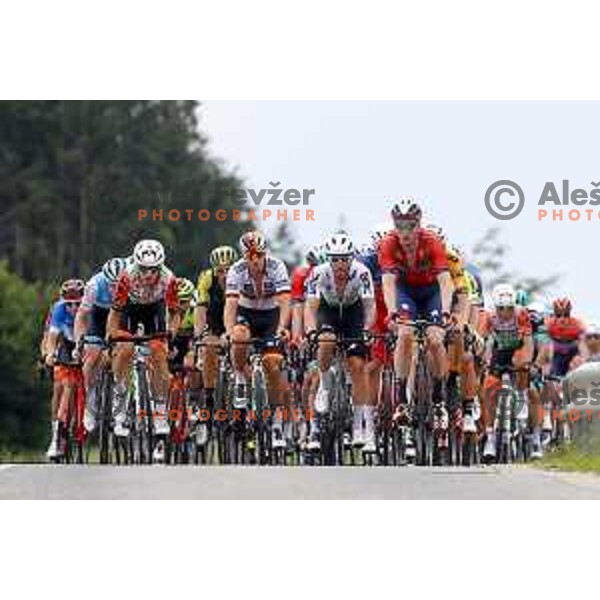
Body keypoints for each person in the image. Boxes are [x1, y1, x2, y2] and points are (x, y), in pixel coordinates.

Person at [378, 197, 453, 442]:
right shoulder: (388, 243)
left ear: (419, 224)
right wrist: (391, 311)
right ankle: (401, 399)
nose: (405, 232)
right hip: (406, 292)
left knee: (434, 338)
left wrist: (445, 312)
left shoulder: (431, 241)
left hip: (431, 292)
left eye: (410, 226)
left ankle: (440, 399)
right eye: (400, 226)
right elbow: (388, 283)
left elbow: (445, 281)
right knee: (405, 333)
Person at [106, 239, 180, 460]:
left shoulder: (169, 279)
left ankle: (159, 412)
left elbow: (175, 313)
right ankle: (119, 401)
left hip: (154, 310)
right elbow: (115, 313)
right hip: (129, 309)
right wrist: (112, 335)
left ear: (161, 267)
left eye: (153, 270)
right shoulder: (127, 276)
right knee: (126, 348)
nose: (148, 275)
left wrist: (171, 335)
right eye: (144, 269)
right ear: (137, 266)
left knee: (158, 351)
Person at [305, 232, 376, 451]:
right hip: (328, 311)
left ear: (351, 258)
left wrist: (367, 329)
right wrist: (310, 331)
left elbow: (370, 306)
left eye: (344, 258)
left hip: (353, 312)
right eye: (335, 259)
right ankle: (325, 387)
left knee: (357, 365)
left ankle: (357, 425)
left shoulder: (362, 273)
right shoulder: (318, 273)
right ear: (329, 260)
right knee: (325, 341)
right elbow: (311, 306)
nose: (340, 264)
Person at [224, 230, 292, 449]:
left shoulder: (277, 267)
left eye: (259, 255)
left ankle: (277, 422)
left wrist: (282, 328)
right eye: (250, 256)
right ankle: (241, 380)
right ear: (244, 256)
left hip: (271, 315)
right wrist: (228, 331)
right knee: (239, 335)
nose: (255, 261)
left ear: (265, 254)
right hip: (247, 312)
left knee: (273, 365)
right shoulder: (236, 270)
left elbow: (284, 301)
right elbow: (231, 306)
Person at [74, 257, 129, 433]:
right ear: (105, 280)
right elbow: (81, 317)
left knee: (124, 349)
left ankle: (121, 398)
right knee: (92, 354)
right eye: (111, 285)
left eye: (118, 285)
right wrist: (79, 343)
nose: (114, 289)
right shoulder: (94, 286)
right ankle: (90, 400)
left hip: (122, 315)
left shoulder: (134, 283)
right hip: (98, 317)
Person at [480, 283, 534, 460]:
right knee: (489, 389)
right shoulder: (489, 316)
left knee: (521, 363)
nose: (505, 312)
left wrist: (526, 362)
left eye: (509, 308)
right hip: (499, 351)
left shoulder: (521, 314)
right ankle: (490, 437)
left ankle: (521, 396)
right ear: (495, 307)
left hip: (517, 349)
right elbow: (484, 343)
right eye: (501, 308)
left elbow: (528, 342)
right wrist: (484, 361)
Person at [194, 245, 238, 416]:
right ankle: (210, 395)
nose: (225, 275)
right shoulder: (206, 278)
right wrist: (199, 336)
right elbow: (200, 309)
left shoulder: (242, 278)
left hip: (237, 321)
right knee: (209, 347)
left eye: (229, 270)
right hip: (214, 320)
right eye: (220, 271)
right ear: (214, 271)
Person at [44, 279, 85, 458]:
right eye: (70, 304)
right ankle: (55, 436)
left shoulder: (88, 309)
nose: (75, 308)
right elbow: (51, 338)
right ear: (63, 303)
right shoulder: (58, 309)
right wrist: (50, 355)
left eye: (78, 303)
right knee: (59, 386)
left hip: (85, 344)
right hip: (66, 344)